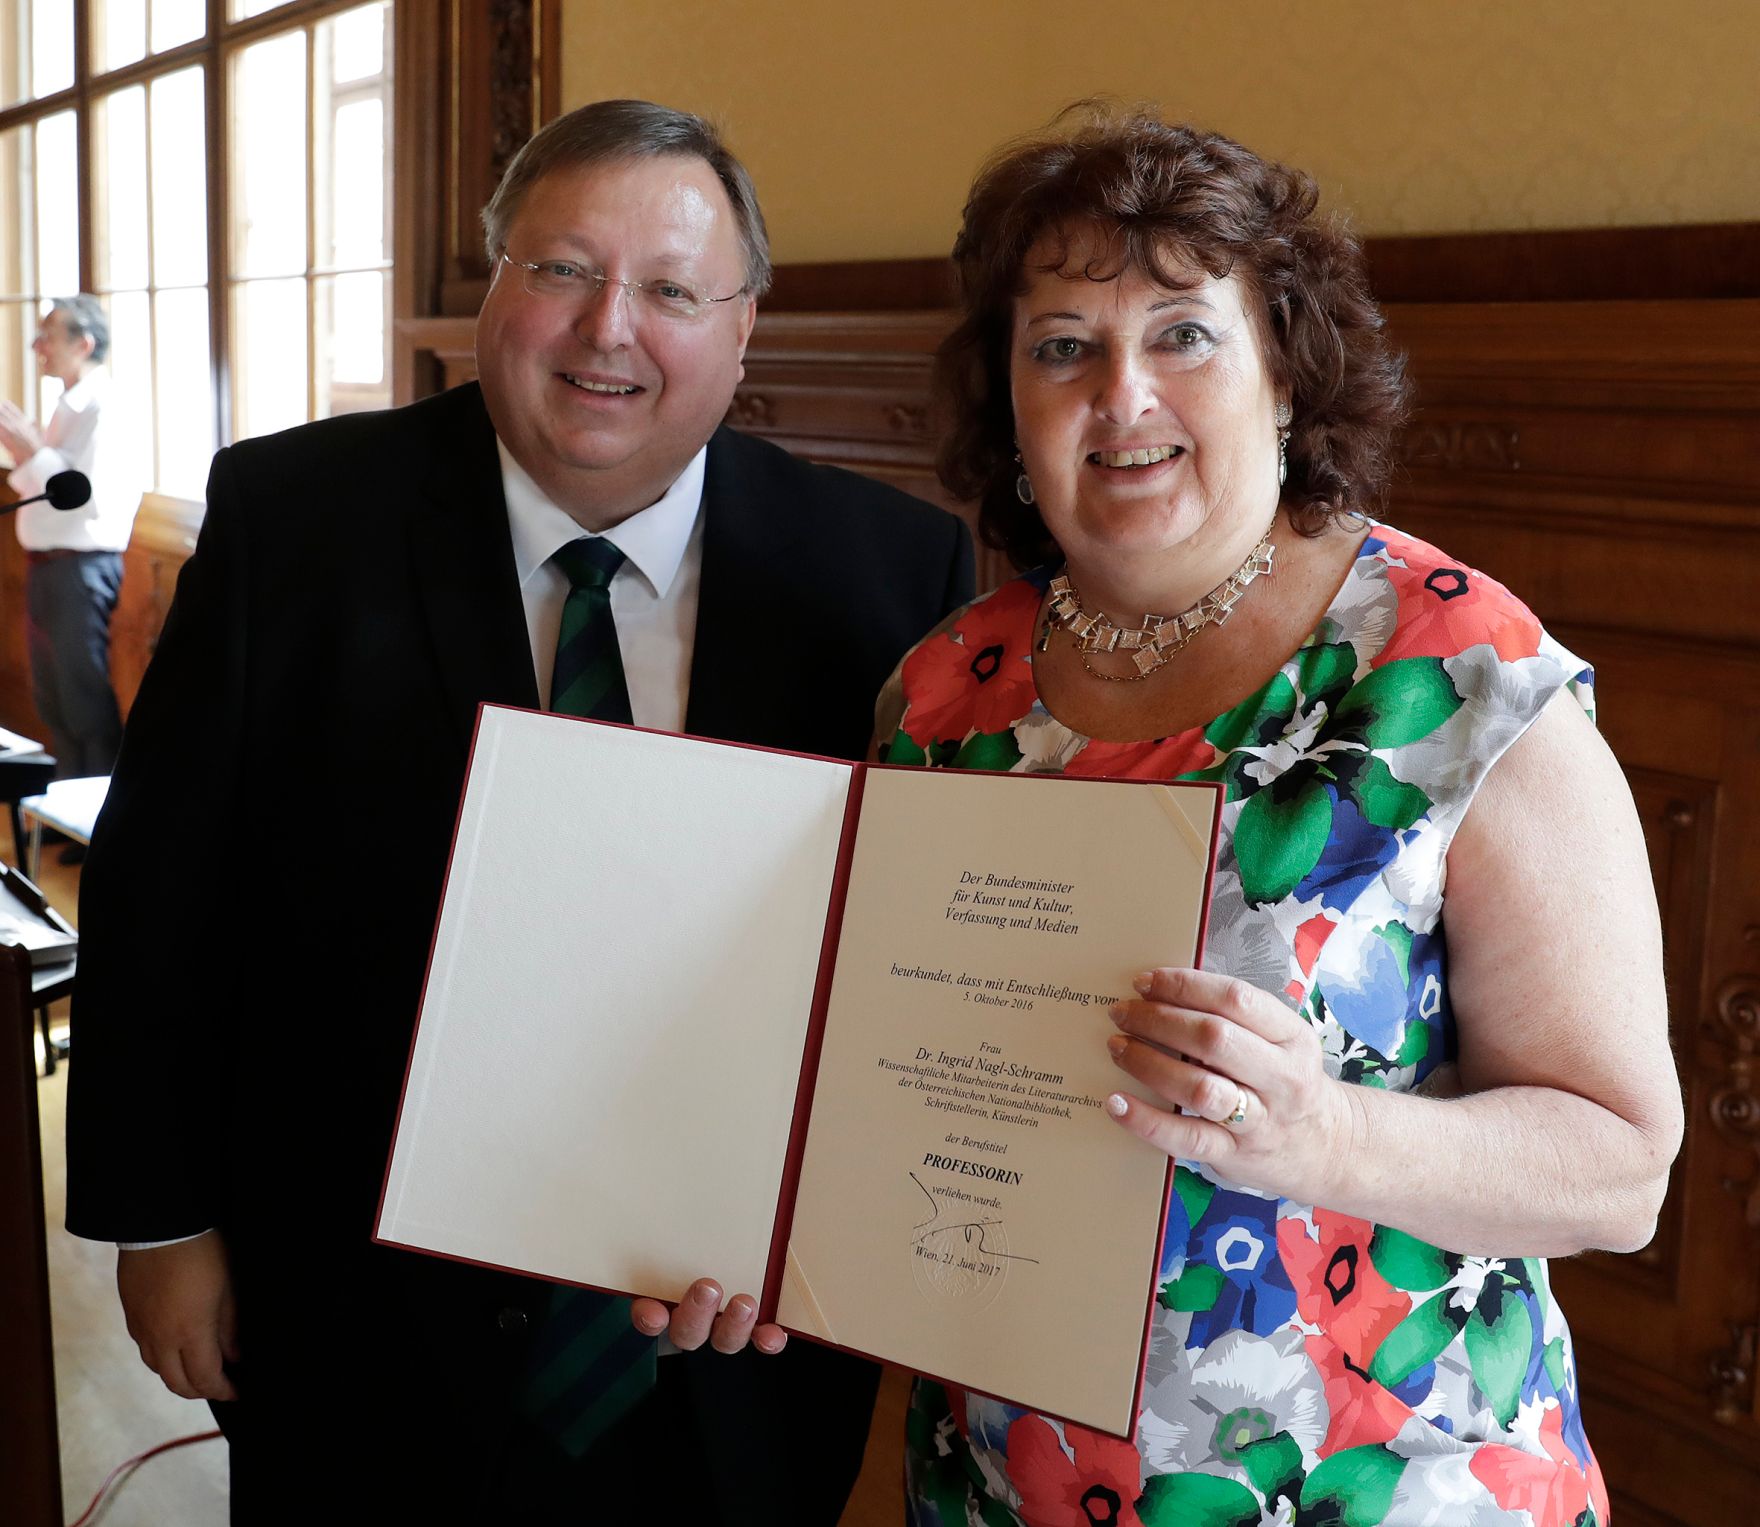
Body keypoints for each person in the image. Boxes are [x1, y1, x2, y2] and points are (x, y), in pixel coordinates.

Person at [65, 99, 972, 1523]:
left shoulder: (889, 572)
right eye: (560, 269)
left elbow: (913, 960)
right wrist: (163, 1216)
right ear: (491, 287)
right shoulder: (295, 519)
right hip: (353, 1300)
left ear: (743, 327)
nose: (610, 329)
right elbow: (165, 884)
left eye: (672, 289)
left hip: (733, 1331)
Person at [878, 107, 1682, 1526]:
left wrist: (1324, 1134)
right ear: (1009, 399)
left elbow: (1620, 1167)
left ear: (1287, 374)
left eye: (1184, 332)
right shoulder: (945, 690)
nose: (1121, 393)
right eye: (1062, 344)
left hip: (1377, 1482)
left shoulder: (1455, 670)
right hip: (1006, 1480)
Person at [0, 295, 144, 780]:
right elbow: (42, 485)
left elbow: (85, 497)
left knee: (83, 699)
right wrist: (30, 452)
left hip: (80, 568)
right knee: (55, 700)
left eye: (48, 335)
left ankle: (98, 824)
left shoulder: (106, 406)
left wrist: (33, 449)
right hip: (48, 565)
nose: (36, 345)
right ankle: (66, 804)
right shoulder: (69, 404)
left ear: (83, 344)